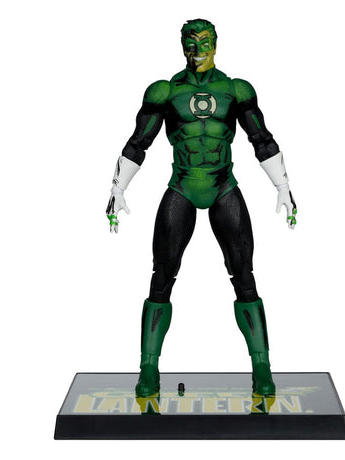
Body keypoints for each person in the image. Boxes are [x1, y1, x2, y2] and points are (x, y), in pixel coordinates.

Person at [106, 19, 297, 397]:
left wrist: (283, 185)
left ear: (216, 44)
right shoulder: (165, 91)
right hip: (183, 185)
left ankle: (262, 367)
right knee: (162, 275)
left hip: (223, 185)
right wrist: (118, 186)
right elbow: (139, 141)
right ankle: (148, 369)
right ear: (181, 46)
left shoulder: (235, 90)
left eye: (204, 42)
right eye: (190, 44)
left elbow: (261, 138)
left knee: (244, 275)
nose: (197, 51)